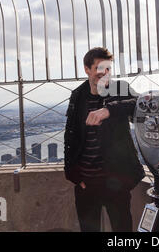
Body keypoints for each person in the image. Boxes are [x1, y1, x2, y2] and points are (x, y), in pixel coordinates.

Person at [64, 47, 144, 232]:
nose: (105, 73)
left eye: (108, 68)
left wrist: (110, 109)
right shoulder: (78, 95)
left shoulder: (120, 88)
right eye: (100, 68)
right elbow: (71, 135)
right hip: (86, 184)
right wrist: (73, 174)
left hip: (115, 183)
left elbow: (142, 104)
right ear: (87, 69)